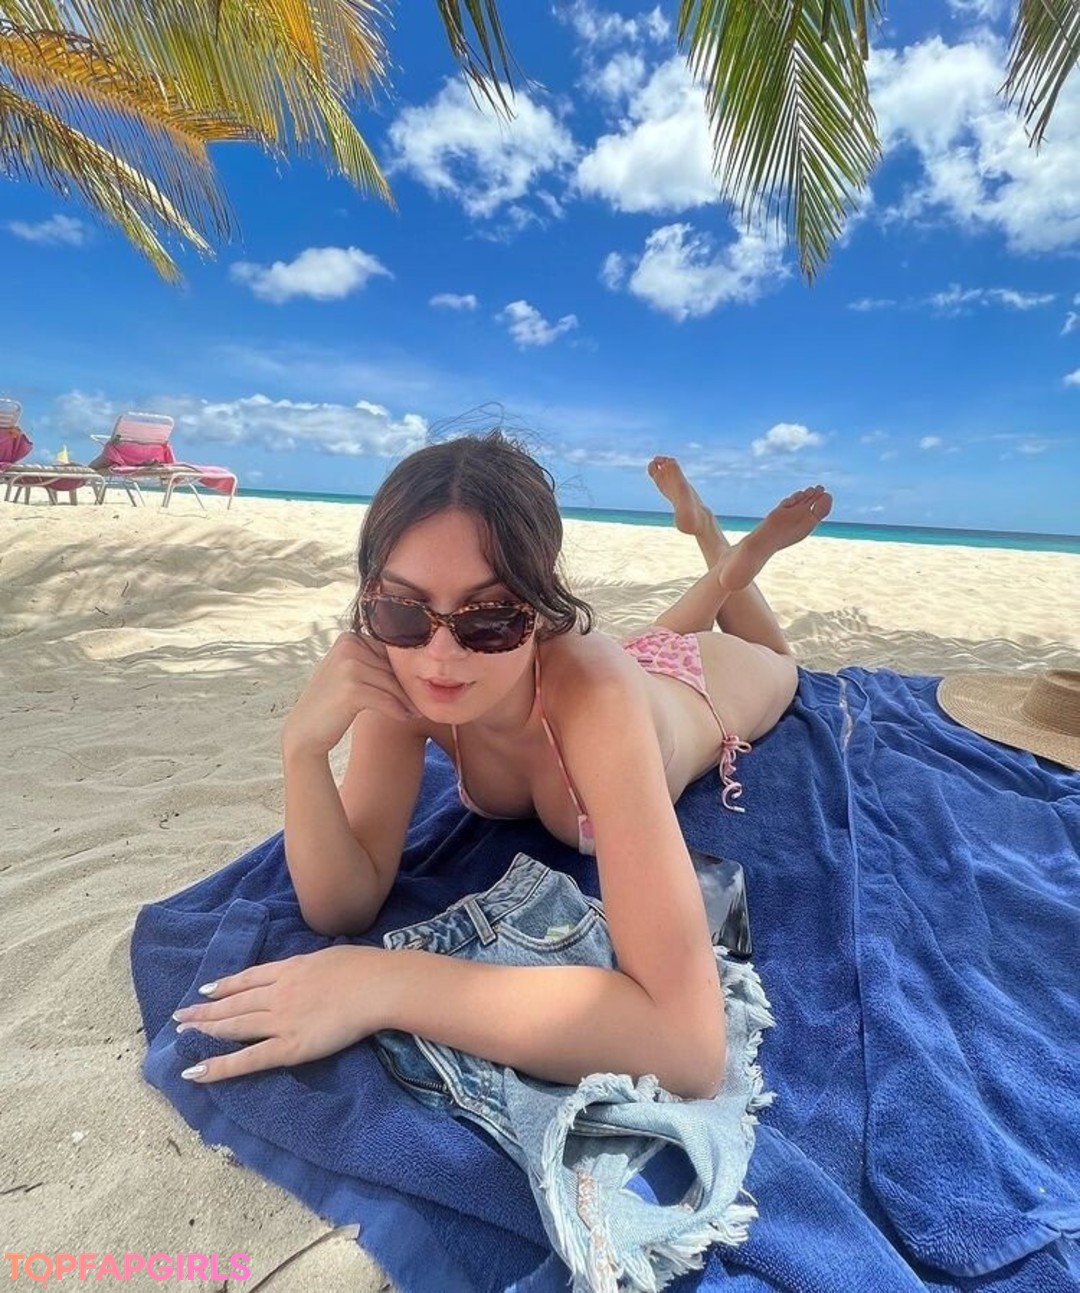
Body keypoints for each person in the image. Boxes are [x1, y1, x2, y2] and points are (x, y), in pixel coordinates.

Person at [173, 433, 831, 1099]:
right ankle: (716, 554)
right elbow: (341, 905)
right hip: (630, 662)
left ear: (541, 609)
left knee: (780, 659)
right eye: (402, 609)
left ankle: (724, 547)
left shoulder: (595, 697)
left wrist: (384, 982)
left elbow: (689, 1050)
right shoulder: (402, 677)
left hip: (700, 687)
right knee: (650, 639)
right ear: (372, 599)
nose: (439, 657)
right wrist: (303, 751)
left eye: (489, 619)